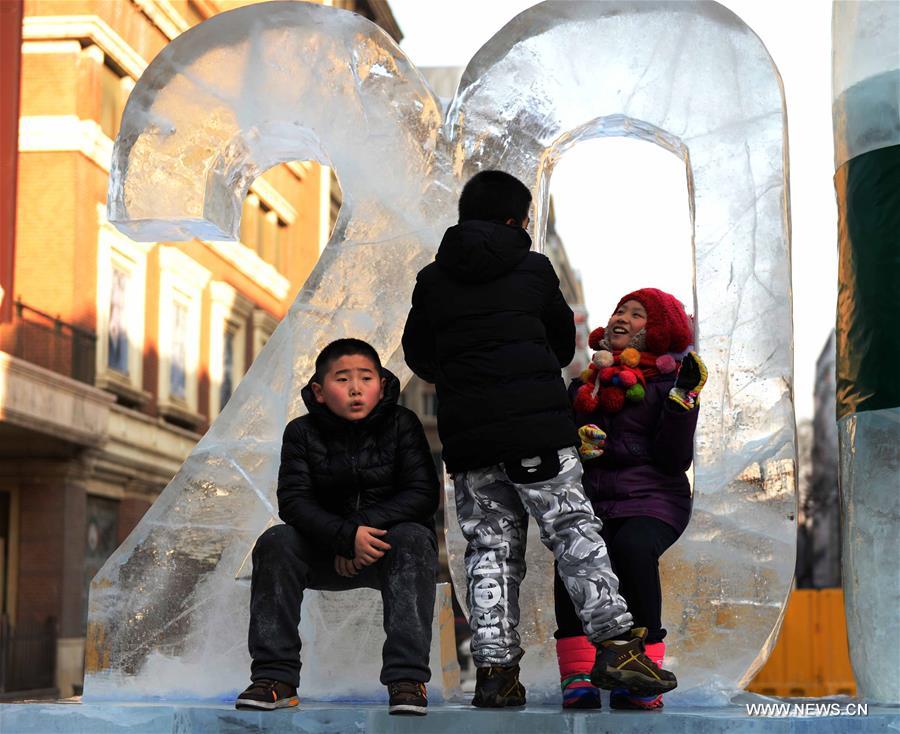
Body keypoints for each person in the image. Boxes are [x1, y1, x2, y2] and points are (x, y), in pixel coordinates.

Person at [402, 170, 677, 708]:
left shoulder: (432, 280)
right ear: (516, 218)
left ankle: (496, 673)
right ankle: (618, 647)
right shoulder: (533, 268)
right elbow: (559, 343)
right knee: (575, 534)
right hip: (538, 435)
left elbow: (419, 356)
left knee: (490, 552)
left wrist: (464, 375)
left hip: (471, 444)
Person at [235, 338, 440, 716]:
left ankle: (407, 680)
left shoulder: (402, 423)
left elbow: (423, 494)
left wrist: (357, 532)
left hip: (387, 549)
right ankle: (274, 678)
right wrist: (342, 539)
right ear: (319, 390)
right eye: (342, 379)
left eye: (366, 378)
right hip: (325, 551)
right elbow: (293, 502)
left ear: (381, 383)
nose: (356, 388)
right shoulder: (301, 432)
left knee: (413, 537)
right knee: (275, 541)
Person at [554, 288, 707, 709]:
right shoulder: (586, 384)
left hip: (655, 498)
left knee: (632, 548)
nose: (623, 317)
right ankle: (579, 672)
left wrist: (683, 400)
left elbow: (674, 458)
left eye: (638, 314)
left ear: (656, 330)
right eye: (621, 309)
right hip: (597, 499)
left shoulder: (670, 382)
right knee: (574, 551)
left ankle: (642, 671)